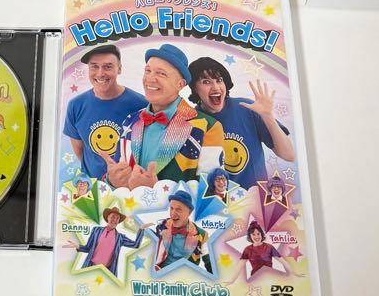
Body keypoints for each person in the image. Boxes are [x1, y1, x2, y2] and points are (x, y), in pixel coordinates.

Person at [104, 44, 224, 190]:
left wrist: (155, 192)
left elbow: (213, 193)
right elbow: (117, 186)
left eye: (161, 73)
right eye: (148, 71)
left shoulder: (208, 127)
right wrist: (112, 181)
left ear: (180, 84)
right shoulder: (130, 121)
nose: (150, 79)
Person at [187, 56, 294, 189]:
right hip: (215, 199)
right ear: (194, 88)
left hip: (255, 197)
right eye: (206, 82)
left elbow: (288, 155)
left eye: (219, 80)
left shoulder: (247, 108)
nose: (216, 87)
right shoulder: (192, 122)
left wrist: (267, 116)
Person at [63, 44, 146, 182]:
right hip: (92, 187)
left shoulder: (141, 104)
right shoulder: (75, 105)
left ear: (119, 69)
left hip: (129, 187)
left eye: (107, 67)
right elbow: (80, 150)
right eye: (94, 66)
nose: (100, 73)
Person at [65, 207, 144, 276]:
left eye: (117, 218)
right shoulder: (96, 231)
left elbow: (135, 244)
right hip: (90, 267)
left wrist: (141, 229)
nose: (115, 220)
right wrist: (78, 246)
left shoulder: (120, 237)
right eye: (113, 217)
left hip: (107, 272)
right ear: (107, 218)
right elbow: (88, 248)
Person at [151, 189, 207, 271]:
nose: (173, 214)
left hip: (185, 276)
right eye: (171, 208)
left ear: (189, 212)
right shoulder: (161, 226)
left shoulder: (201, 234)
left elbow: (210, 262)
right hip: (160, 273)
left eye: (178, 209)